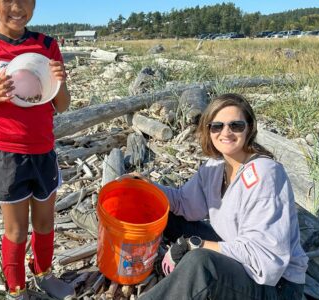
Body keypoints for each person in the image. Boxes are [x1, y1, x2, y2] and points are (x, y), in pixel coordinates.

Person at [126, 93, 308, 300]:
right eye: (217, 126)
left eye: (236, 125)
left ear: (249, 128)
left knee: (200, 263)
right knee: (165, 214)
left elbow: (263, 259)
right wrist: (149, 188)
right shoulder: (215, 167)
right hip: (240, 252)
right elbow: (184, 203)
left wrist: (193, 244)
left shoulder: (265, 174)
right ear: (208, 130)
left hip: (275, 285)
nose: (226, 132)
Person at [0, 1, 72, 299]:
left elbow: (61, 106)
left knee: (46, 221)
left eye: (25, 0)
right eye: (7, 0)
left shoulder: (47, 45)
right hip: (6, 153)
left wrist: (59, 82)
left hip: (43, 149)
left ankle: (44, 274)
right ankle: (16, 290)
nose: (17, 7)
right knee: (16, 230)